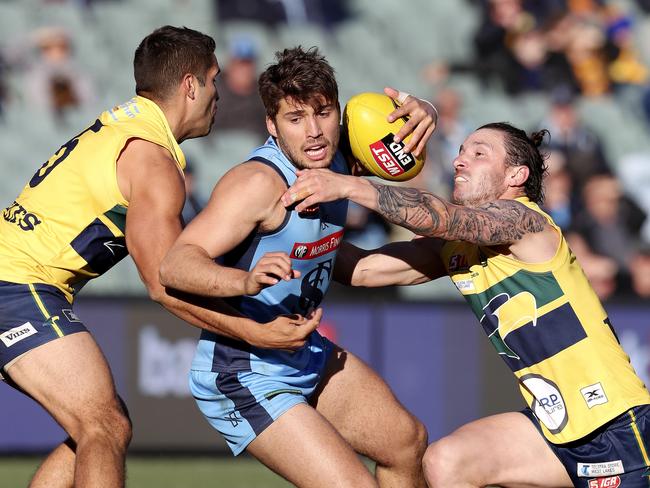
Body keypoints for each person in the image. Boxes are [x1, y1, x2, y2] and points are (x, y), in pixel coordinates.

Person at [0, 26, 322, 488]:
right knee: (103, 426)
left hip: (17, 282)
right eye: (214, 81)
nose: (219, 95)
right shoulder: (152, 160)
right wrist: (254, 331)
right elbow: (164, 283)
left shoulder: (126, 125)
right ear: (190, 86)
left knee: (100, 425)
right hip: (17, 287)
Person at [283, 122, 650, 487]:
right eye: (461, 152)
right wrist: (285, 228)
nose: (460, 161)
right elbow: (360, 270)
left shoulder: (526, 221)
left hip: (616, 423)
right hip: (553, 426)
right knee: (447, 461)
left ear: (516, 175)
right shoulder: (458, 249)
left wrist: (347, 185)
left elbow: (442, 218)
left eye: (479, 153)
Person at [159, 46, 437, 487]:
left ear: (338, 113)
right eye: (295, 119)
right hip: (242, 369)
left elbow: (400, 133)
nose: (314, 133)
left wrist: (426, 111)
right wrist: (244, 280)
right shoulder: (256, 184)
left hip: (302, 351)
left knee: (406, 441)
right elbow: (175, 265)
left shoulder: (339, 156)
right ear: (272, 125)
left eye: (323, 113)